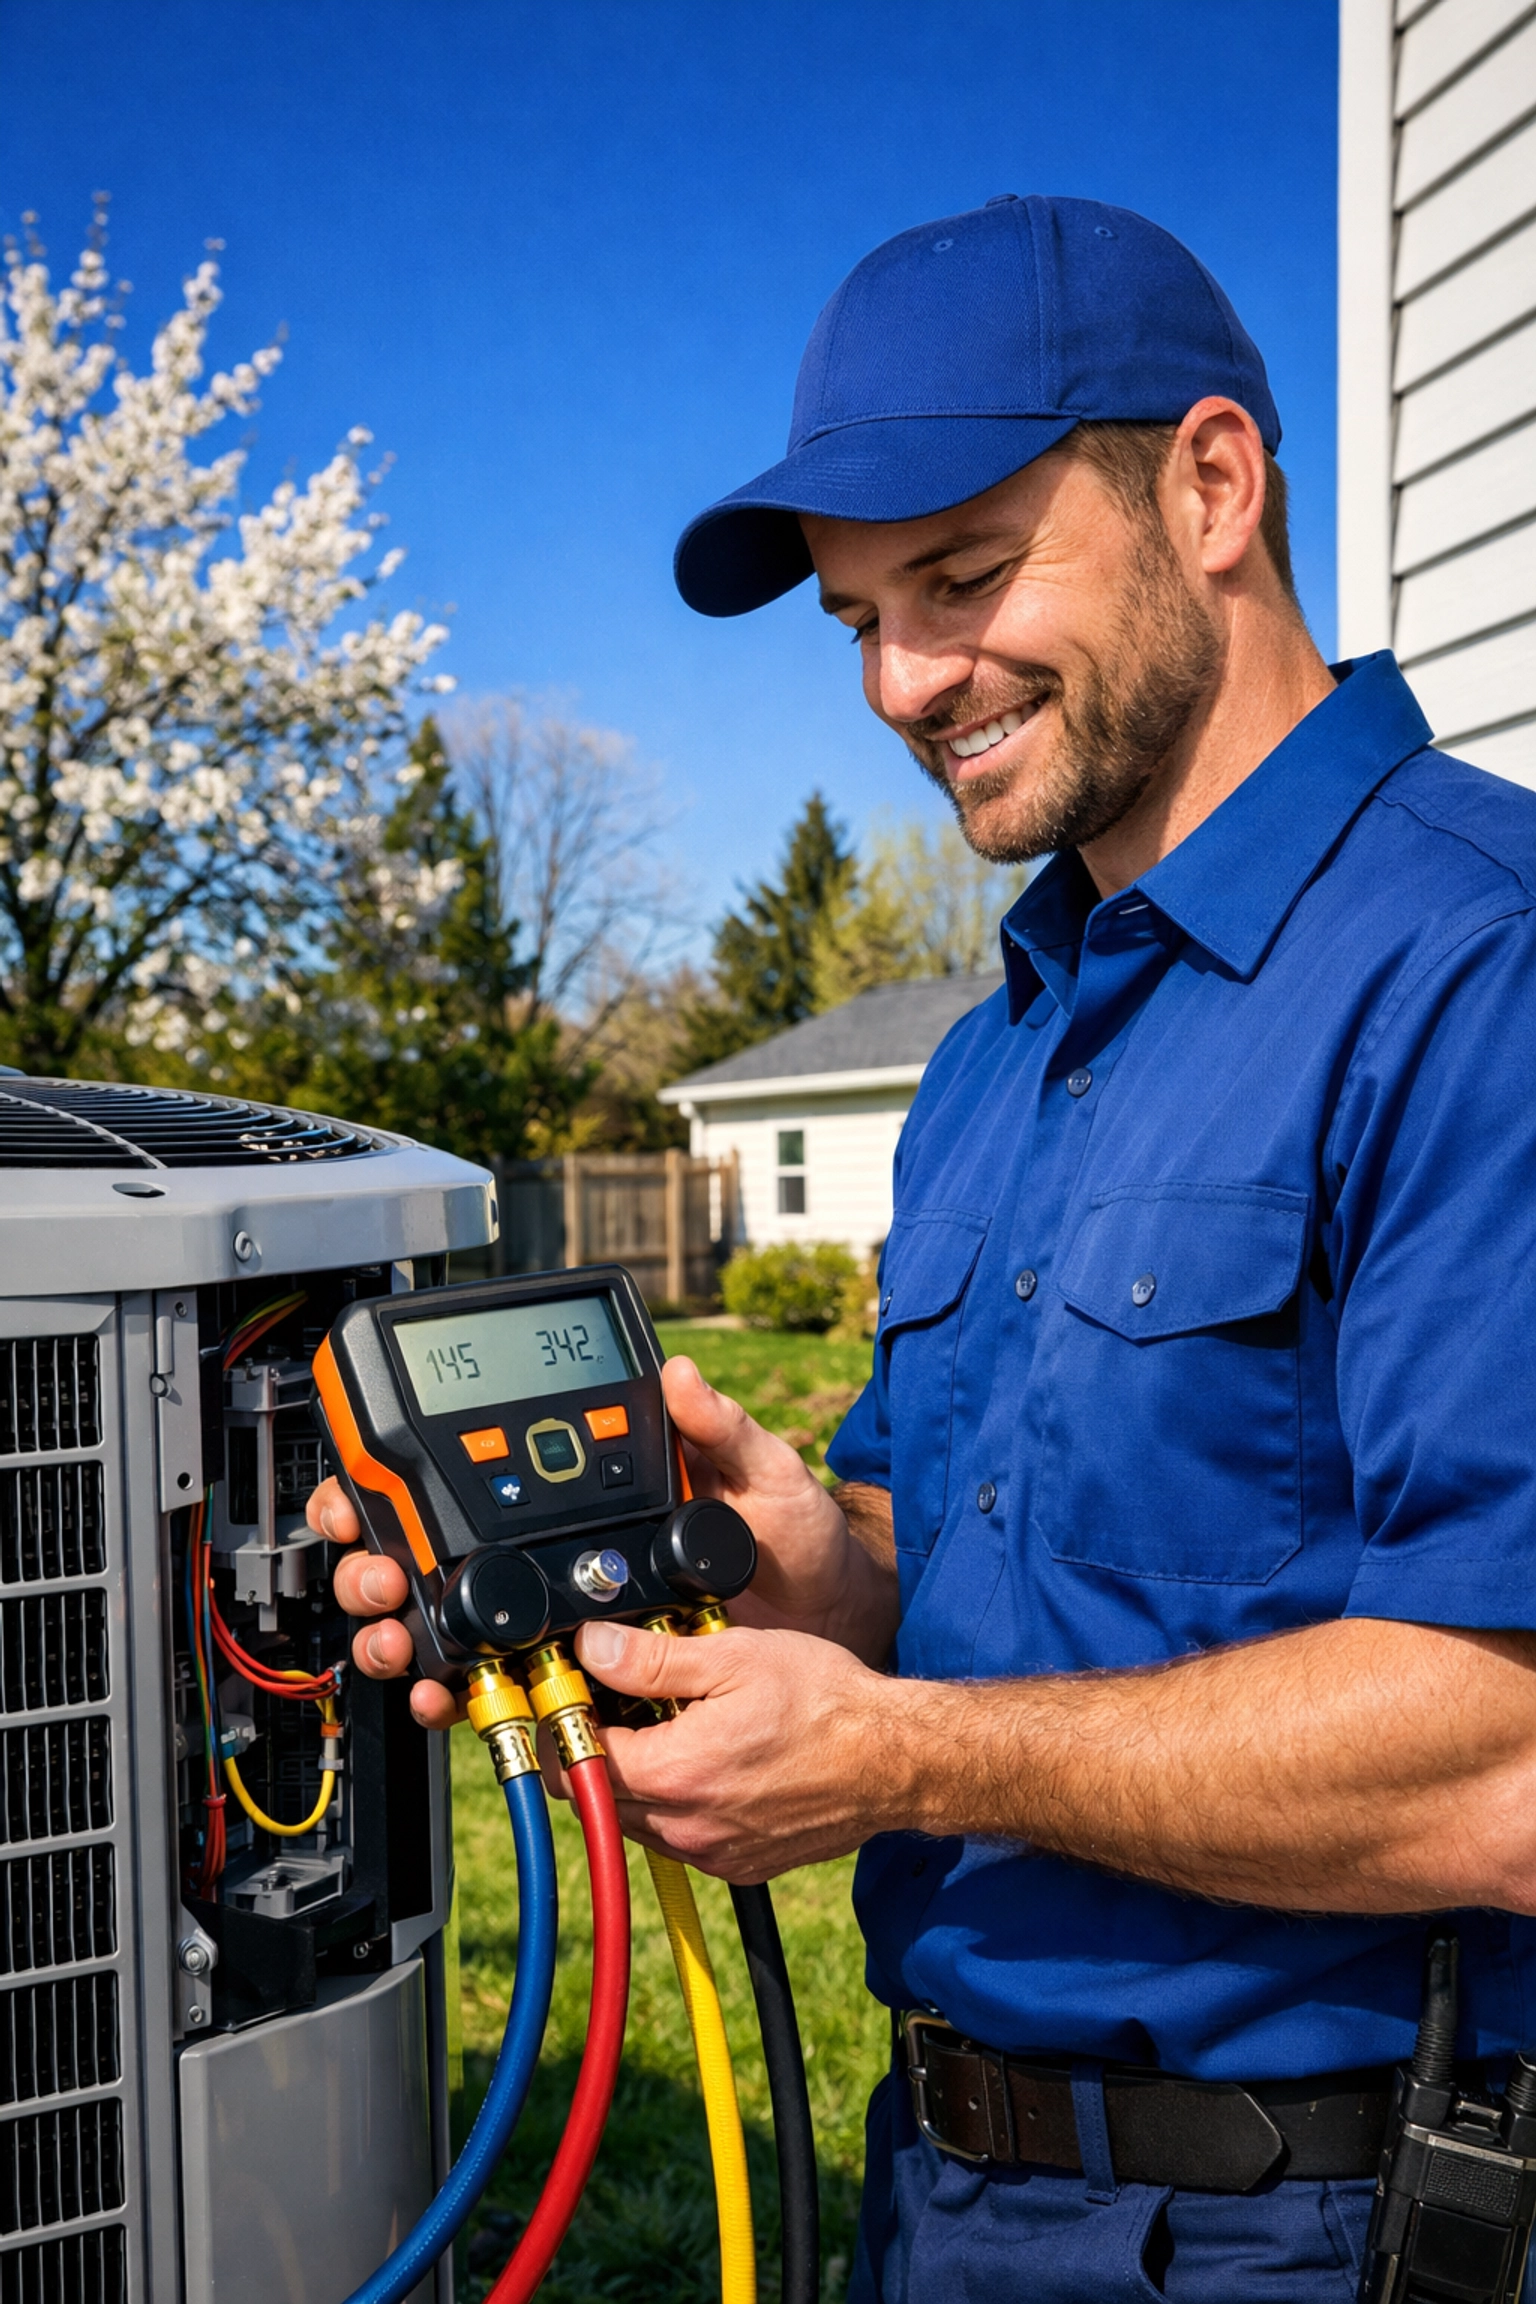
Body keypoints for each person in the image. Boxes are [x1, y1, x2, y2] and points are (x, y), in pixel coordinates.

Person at [310, 197, 1536, 2301]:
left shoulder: (1476, 963)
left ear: (1214, 485)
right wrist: (823, 1561)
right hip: (941, 2198)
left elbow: (1510, 1756)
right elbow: (1004, 1566)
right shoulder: (994, 1056)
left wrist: (904, 1753)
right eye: (859, 618)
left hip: (1333, 2227)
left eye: (963, 579)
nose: (900, 681)